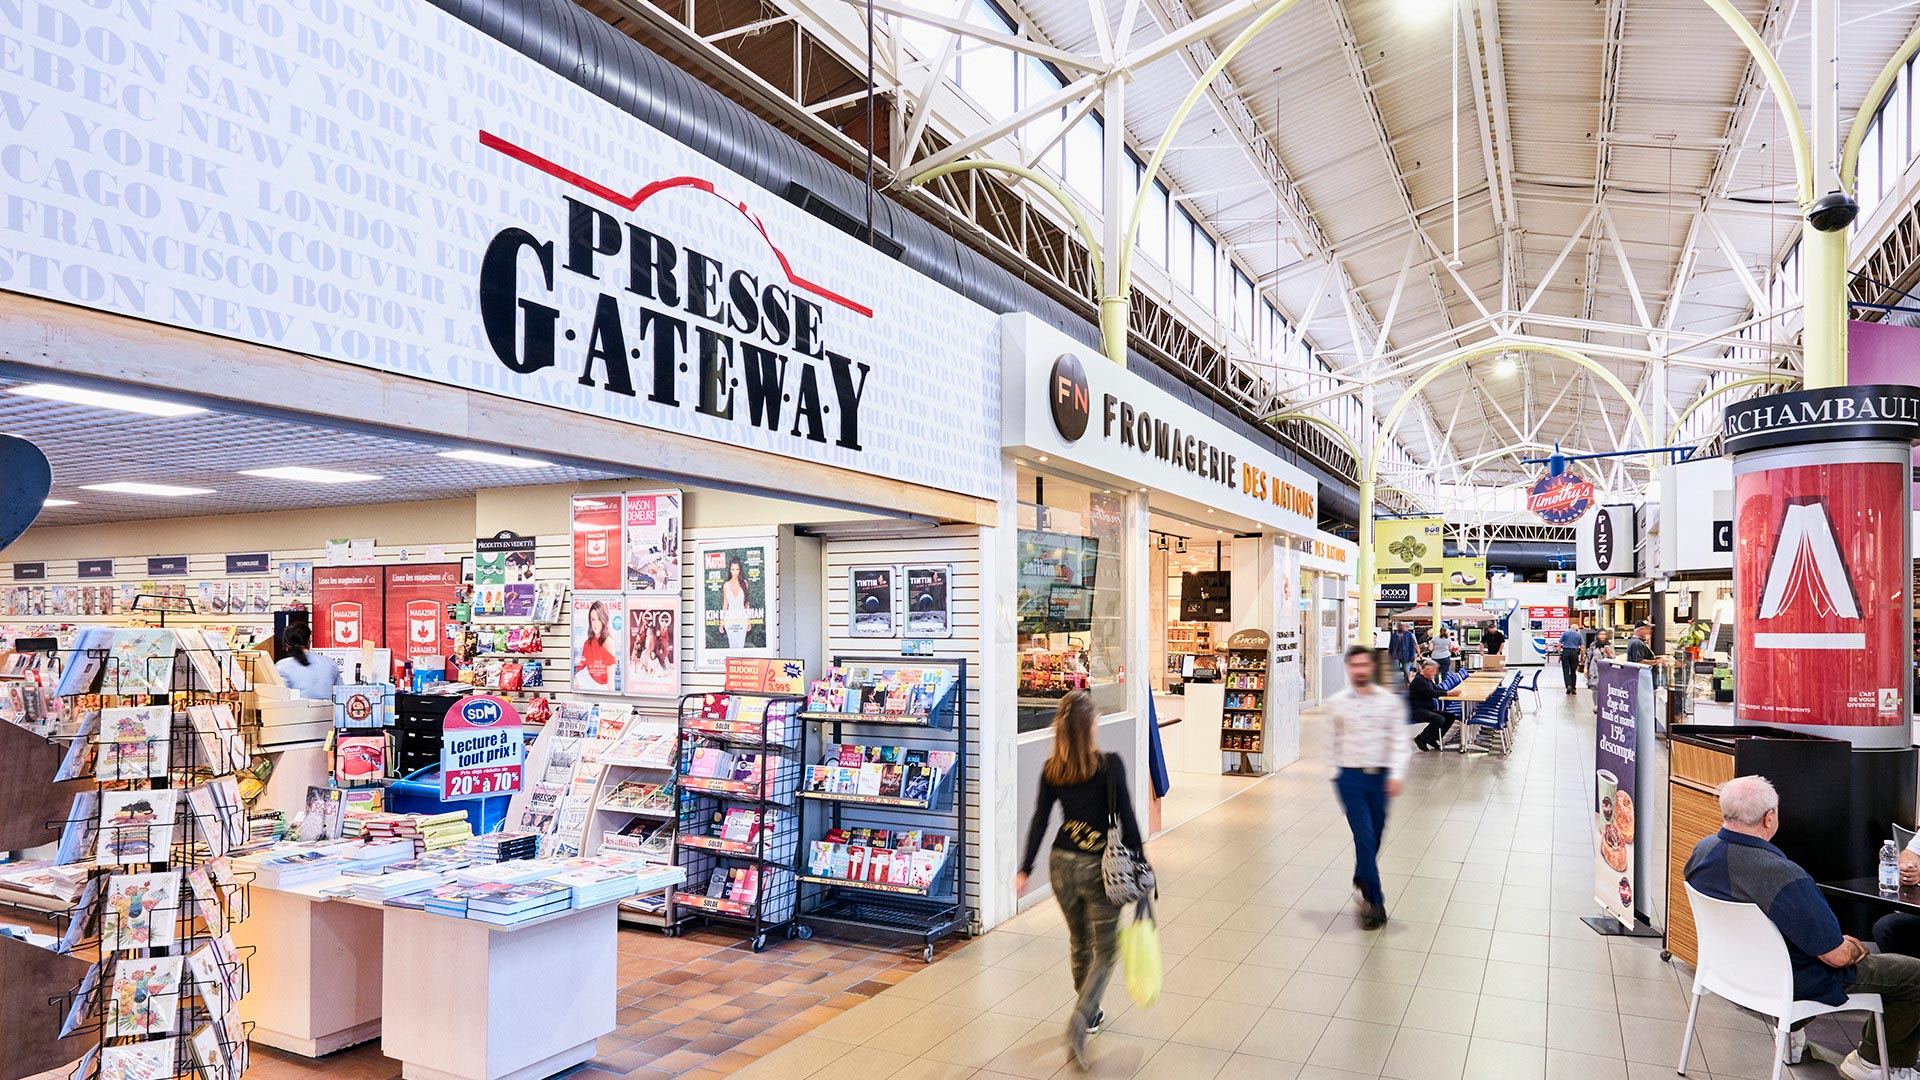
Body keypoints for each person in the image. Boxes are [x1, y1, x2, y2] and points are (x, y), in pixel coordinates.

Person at [1685, 776, 1920, 1080]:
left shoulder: (1702, 852)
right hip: (1792, 978)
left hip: (1732, 971)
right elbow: (1835, 956)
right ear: (1770, 818)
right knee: (1914, 975)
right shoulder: (1784, 876)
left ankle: (1791, 1036)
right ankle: (1871, 1061)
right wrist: (1854, 947)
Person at [1015, 691, 1143, 1069]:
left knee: (1079, 940)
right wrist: (1140, 863)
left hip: (1060, 866)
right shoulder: (1110, 765)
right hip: (1098, 869)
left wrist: (1025, 868)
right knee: (1107, 950)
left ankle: (1092, 1011)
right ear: (1089, 726)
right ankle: (1080, 1018)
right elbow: (1128, 820)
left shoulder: (1052, 768)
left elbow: (1040, 819)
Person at [1328, 646, 1409, 930]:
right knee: (1363, 837)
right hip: (1350, 779)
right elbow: (1333, 740)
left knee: (1374, 838)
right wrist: (1335, 772)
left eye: (1364, 665)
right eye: (1354, 665)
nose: (1360, 670)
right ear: (1349, 668)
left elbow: (1399, 740)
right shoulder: (1337, 703)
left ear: (1371, 668)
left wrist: (1396, 774)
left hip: (1380, 779)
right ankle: (1375, 901)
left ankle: (1362, 874)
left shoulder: (1388, 702)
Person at [274, 623, 341, 702]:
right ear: (310, 638)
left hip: (296, 712)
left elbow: (279, 698)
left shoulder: (282, 666)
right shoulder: (330, 663)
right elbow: (341, 692)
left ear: (286, 643)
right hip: (328, 712)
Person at [1407, 658, 1450, 751]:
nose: (1435, 673)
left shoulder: (1428, 680)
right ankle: (1421, 738)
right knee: (1439, 719)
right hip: (1417, 710)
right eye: (1433, 671)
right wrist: (1448, 694)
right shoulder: (1419, 681)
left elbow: (1436, 689)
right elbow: (1432, 693)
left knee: (1450, 716)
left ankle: (1432, 738)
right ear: (1426, 670)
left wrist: (1449, 692)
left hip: (1426, 708)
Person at [721, 556, 751, 649]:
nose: (735, 572)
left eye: (737, 569)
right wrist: (721, 623)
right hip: (730, 619)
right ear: (730, 570)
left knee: (740, 645)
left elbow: (747, 603)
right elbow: (725, 604)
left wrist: (749, 620)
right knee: (732, 645)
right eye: (733, 569)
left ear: (740, 570)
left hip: (742, 618)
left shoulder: (744, 583)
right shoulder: (726, 585)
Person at [1558, 625, 1585, 693]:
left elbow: (1559, 643)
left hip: (1565, 652)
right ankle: (1573, 688)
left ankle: (1568, 685)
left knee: (1566, 670)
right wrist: (1582, 657)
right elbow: (1582, 646)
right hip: (1574, 652)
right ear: (1576, 629)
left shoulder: (1565, 633)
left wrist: (1559, 653)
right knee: (1573, 670)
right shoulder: (1578, 635)